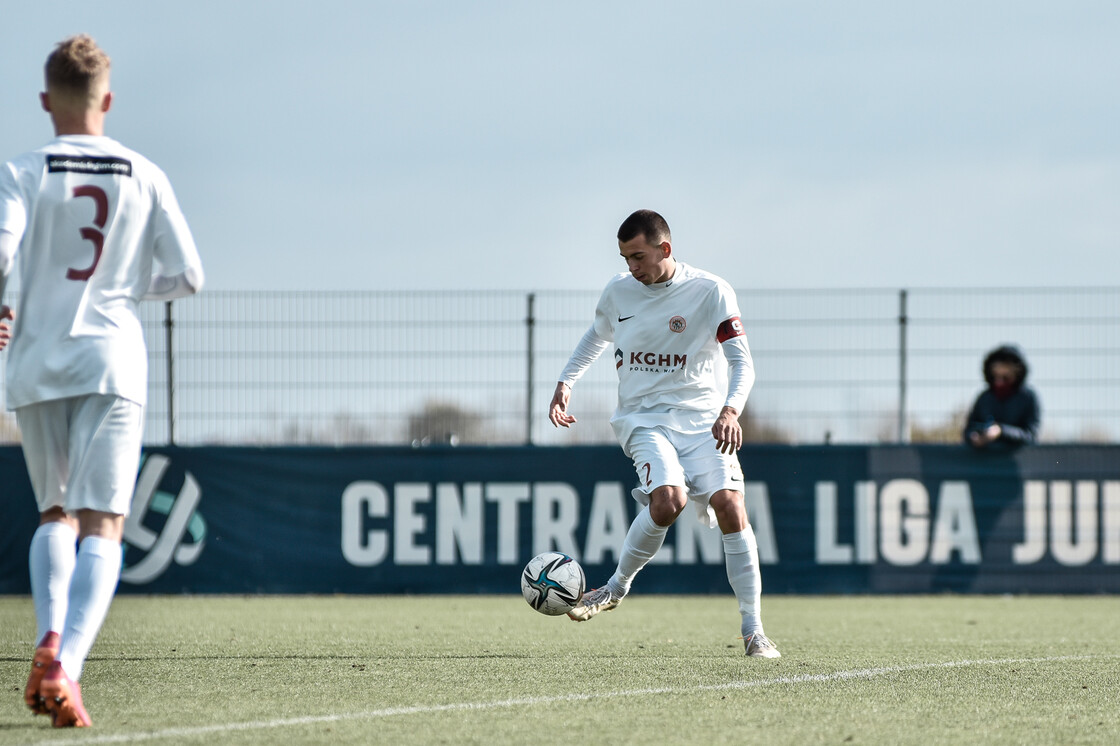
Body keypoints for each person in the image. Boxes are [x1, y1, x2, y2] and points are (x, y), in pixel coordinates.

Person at [0, 34, 204, 728]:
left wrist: (9, 305)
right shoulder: (144, 172)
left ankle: (45, 641)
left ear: (44, 101)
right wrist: (121, 287)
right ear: (107, 100)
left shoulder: (22, 170)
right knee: (104, 523)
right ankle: (68, 666)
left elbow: (2, 250)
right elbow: (189, 275)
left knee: (52, 511)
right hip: (112, 358)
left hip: (35, 357)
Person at [548, 209, 778, 658]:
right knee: (667, 501)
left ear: (664, 249)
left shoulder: (711, 291)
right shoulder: (619, 290)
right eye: (625, 257)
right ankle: (615, 588)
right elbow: (597, 336)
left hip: (704, 421)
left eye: (638, 257)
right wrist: (566, 381)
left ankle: (754, 630)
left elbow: (742, 362)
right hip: (644, 420)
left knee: (731, 507)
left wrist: (731, 411)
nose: (631, 267)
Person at [963, 345, 1040, 450]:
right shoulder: (985, 398)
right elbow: (969, 429)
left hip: (1017, 462)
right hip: (984, 461)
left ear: (1017, 374)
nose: (999, 382)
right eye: (995, 376)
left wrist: (1001, 431)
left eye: (1005, 377)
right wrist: (974, 437)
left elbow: (1030, 435)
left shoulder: (1027, 398)